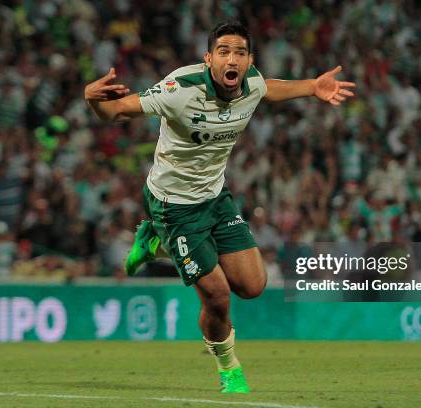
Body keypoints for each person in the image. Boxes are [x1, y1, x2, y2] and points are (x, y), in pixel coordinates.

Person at [84, 21, 355, 394]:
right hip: (172, 206)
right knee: (217, 296)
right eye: (224, 51)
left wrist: (311, 87)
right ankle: (229, 369)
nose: (233, 59)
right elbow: (115, 112)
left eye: (240, 53)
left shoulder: (252, 83)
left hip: (215, 197)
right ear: (208, 58)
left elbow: (267, 89)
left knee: (254, 285)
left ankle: (154, 244)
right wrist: (92, 99)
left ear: (249, 61)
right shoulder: (180, 88)